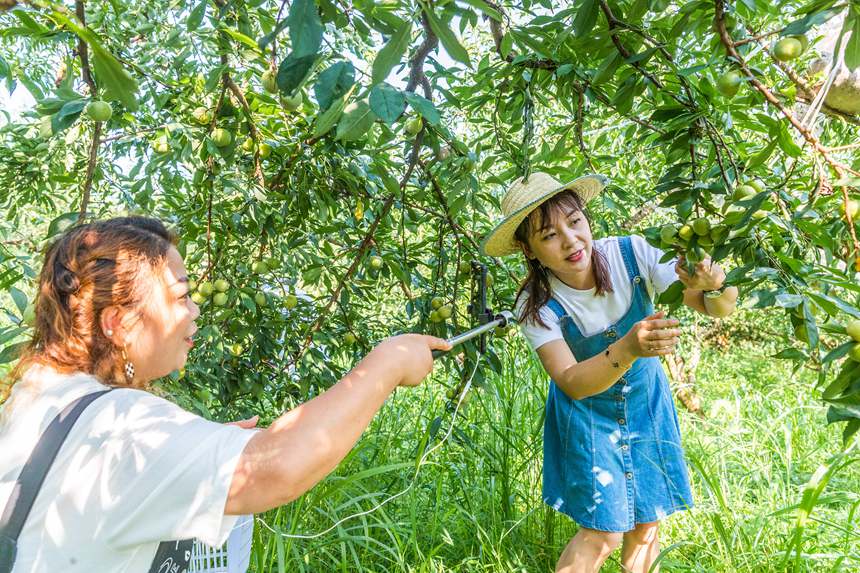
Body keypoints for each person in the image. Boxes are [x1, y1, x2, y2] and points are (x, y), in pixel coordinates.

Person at [0, 216, 450, 572]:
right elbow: (278, 467)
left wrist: (197, 455)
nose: (195, 311)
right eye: (181, 297)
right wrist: (387, 364)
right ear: (118, 322)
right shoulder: (120, 427)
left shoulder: (39, 396)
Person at [480, 172, 738, 573]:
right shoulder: (537, 305)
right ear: (528, 249)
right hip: (588, 417)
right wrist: (629, 348)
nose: (570, 240)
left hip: (646, 405)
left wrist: (715, 283)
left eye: (575, 221)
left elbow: (716, 306)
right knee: (602, 533)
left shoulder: (632, 254)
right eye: (549, 235)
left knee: (647, 520)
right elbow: (572, 382)